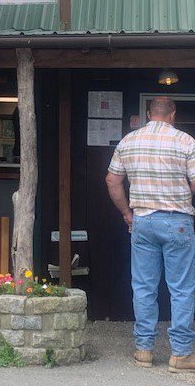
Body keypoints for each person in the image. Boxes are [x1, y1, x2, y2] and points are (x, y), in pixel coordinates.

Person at [106, 96, 195, 373]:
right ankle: (180, 354)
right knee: (181, 288)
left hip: (142, 220)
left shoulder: (129, 141)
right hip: (177, 221)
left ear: (148, 114)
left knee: (144, 287)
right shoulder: (185, 142)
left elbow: (112, 180)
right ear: (172, 114)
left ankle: (144, 350)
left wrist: (127, 213)